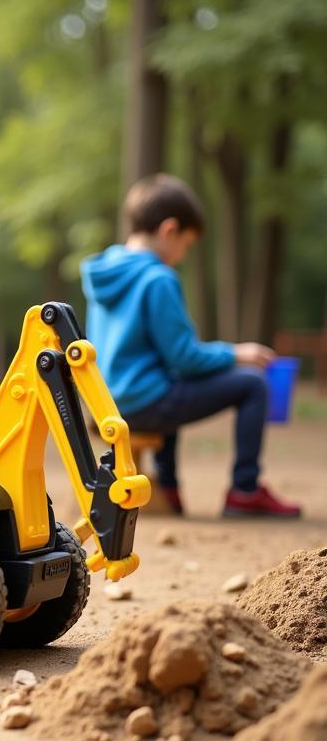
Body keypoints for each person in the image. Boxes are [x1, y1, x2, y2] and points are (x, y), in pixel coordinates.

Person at [80, 173, 300, 519]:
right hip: (143, 401)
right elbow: (184, 358)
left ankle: (168, 487)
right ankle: (245, 490)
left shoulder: (107, 271)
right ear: (170, 230)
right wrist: (236, 353)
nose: (183, 254)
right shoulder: (158, 278)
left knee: (169, 382)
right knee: (253, 384)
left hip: (105, 403)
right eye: (187, 244)